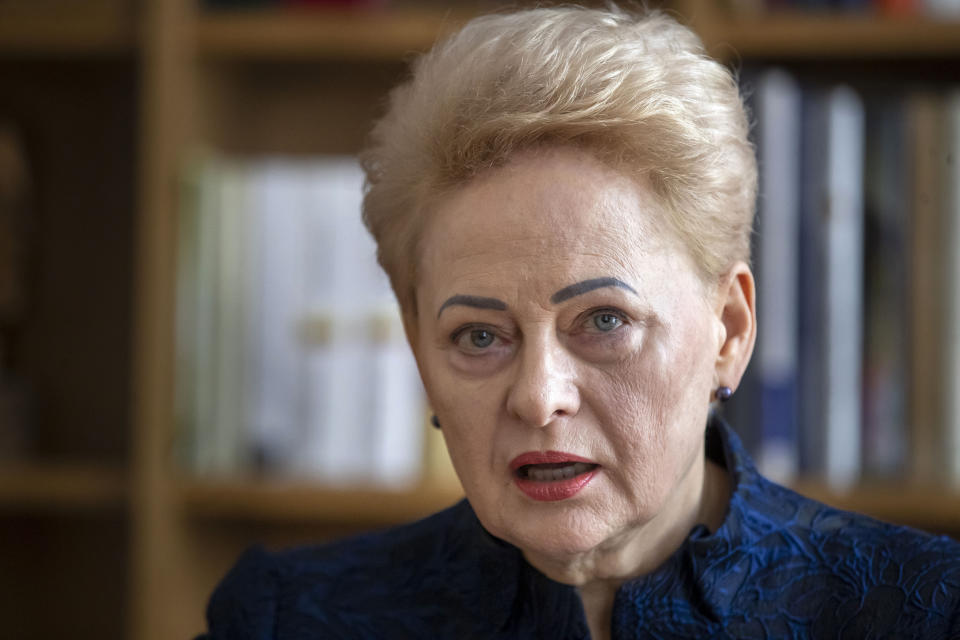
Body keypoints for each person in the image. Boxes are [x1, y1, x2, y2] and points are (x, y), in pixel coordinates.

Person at [198, 6, 960, 639]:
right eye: (480, 336)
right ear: (418, 345)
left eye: (603, 320)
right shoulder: (285, 619)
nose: (538, 397)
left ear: (728, 330)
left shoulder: (924, 610)